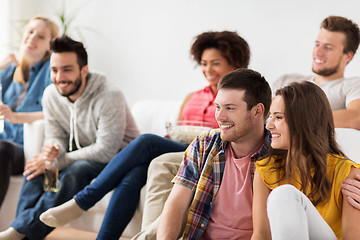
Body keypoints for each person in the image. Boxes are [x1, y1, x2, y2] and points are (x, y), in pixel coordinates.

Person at [40, 31, 250, 240]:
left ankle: (83, 200)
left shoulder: (242, 99)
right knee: (135, 172)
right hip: (185, 150)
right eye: (204, 63)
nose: (207, 70)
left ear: (234, 63)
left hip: (212, 153)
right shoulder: (192, 97)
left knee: (146, 142)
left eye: (215, 63)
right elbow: (180, 129)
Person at [0, 35, 139, 240]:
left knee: (76, 170)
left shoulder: (109, 95)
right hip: (80, 155)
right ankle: (21, 233)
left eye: (67, 69)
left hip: (117, 159)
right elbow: (55, 135)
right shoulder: (51, 95)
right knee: (37, 169)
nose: (59, 78)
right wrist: (52, 150)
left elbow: (105, 150)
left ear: (84, 70)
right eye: (54, 70)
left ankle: (20, 231)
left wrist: (61, 160)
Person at [157, 68, 272, 240]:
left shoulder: (277, 154)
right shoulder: (204, 145)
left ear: (257, 111)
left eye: (230, 108)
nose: (220, 116)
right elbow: (176, 206)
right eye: (217, 107)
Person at [252, 81, 360, 240]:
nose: (269, 125)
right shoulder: (266, 170)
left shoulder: (347, 172)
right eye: (270, 117)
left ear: (305, 121)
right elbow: (261, 235)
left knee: (284, 194)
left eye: (279, 117)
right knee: (283, 194)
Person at [0, 16, 59, 208]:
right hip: (5, 139)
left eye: (40, 36)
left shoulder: (52, 72)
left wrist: (16, 117)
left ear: (49, 46)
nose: (32, 37)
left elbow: (55, 112)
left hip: (24, 148)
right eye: (30, 32)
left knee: (2, 149)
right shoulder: (12, 70)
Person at [273, 15, 360, 130]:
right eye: (317, 44)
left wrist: (293, 119)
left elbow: (356, 118)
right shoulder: (286, 80)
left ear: (347, 56)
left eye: (328, 47)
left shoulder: (353, 86)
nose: (318, 53)